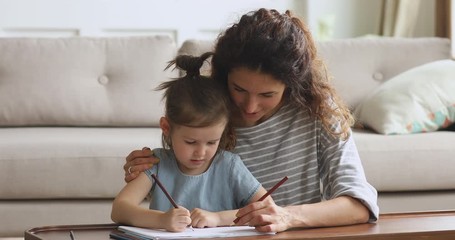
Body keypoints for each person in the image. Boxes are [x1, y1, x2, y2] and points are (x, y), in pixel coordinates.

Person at [123, 8, 379, 233]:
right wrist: (145, 168)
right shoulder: (211, 111)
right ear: (225, 77)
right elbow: (176, 176)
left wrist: (287, 216)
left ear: (291, 87)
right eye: (239, 89)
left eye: (268, 94)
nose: (250, 106)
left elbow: (359, 205)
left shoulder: (318, 111)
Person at [111, 52, 270, 232]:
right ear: (166, 127)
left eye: (211, 142)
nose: (201, 152)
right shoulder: (157, 163)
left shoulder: (230, 165)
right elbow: (119, 209)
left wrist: (218, 218)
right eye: (191, 142)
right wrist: (161, 219)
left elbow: (267, 208)